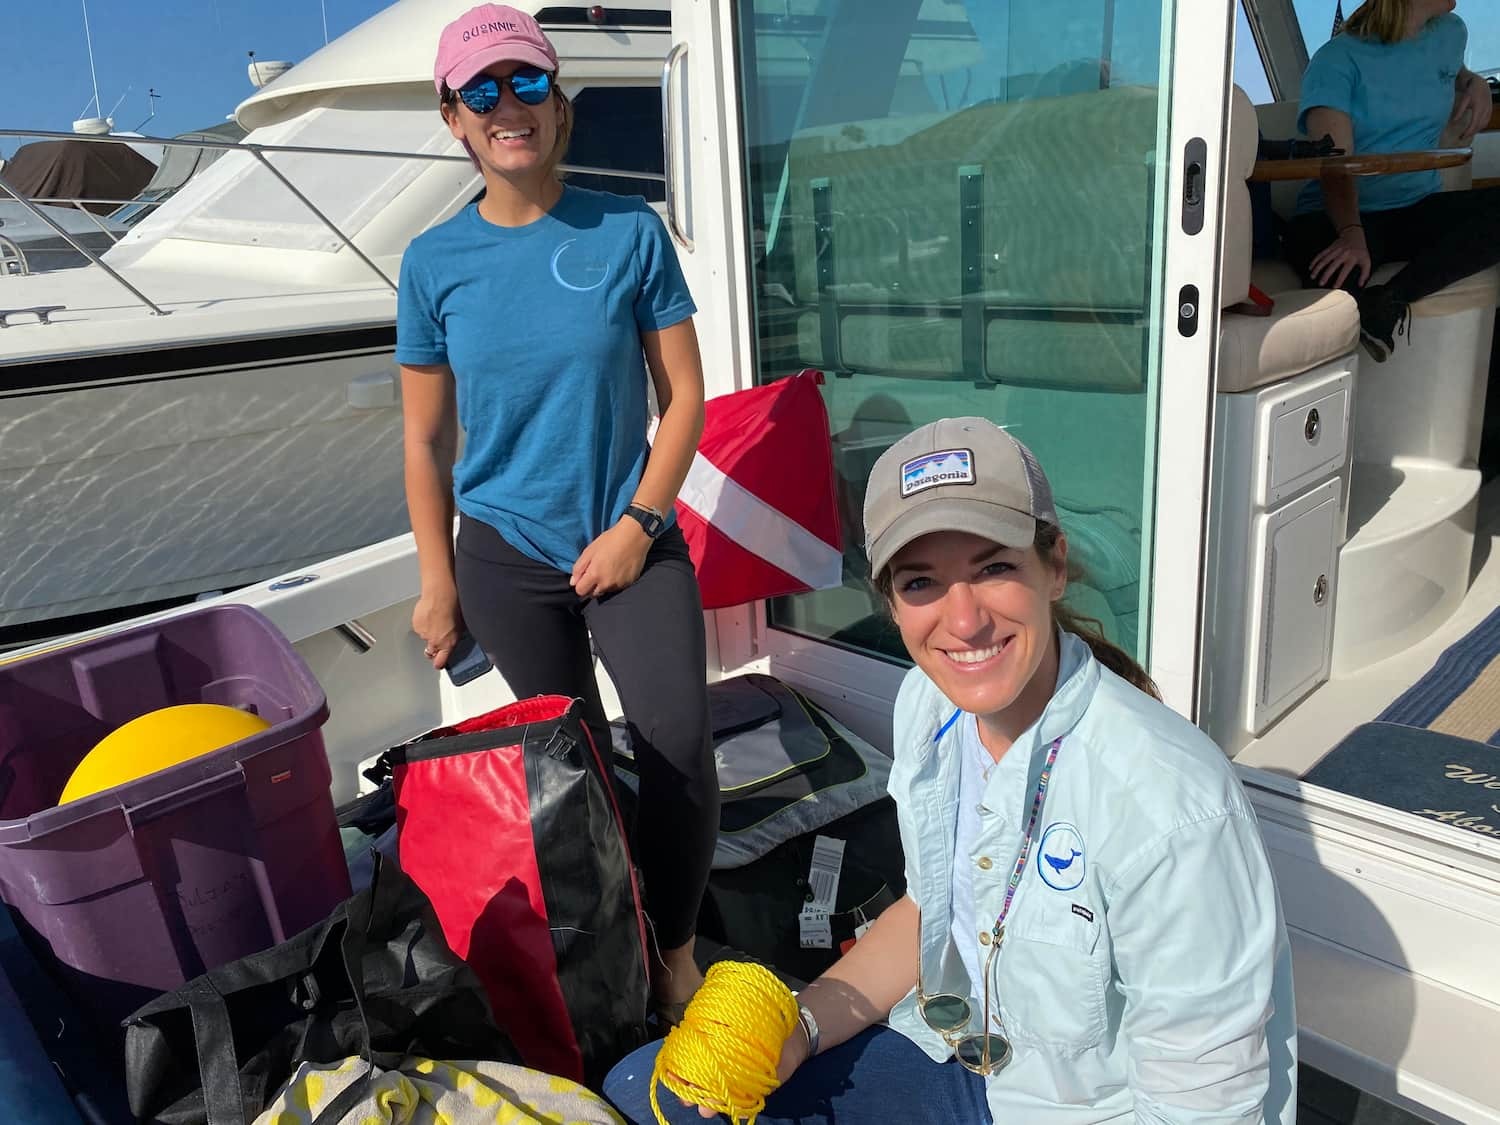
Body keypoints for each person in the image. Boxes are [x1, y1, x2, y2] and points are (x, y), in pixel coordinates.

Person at [605, 418, 1297, 1123]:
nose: (964, 621)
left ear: (1054, 566)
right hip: (961, 1058)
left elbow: (1201, 1107)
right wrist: (801, 1029)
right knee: (650, 1092)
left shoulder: (1172, 804)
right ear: (891, 604)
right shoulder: (928, 706)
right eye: (922, 582)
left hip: (1088, 1109)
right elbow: (933, 910)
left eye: (994, 568)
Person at [395, 4, 715, 1020]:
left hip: (627, 536)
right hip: (503, 556)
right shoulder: (432, 262)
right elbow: (424, 442)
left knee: (676, 742)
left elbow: (685, 399)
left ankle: (675, 946)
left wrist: (639, 528)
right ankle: (611, 931)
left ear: (558, 104)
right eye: (482, 91)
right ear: (453, 118)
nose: (508, 106)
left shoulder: (629, 231)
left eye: (526, 83)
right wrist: (438, 582)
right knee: (571, 768)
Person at [1283, 0, 1499, 361]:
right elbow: (1335, 163)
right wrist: (1351, 233)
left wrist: (1473, 82)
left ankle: (1390, 300)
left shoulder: (1450, 32)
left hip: (1416, 207)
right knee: (1336, 292)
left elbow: (1451, 69)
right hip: (1336, 219)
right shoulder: (1335, 61)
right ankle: (1367, 310)